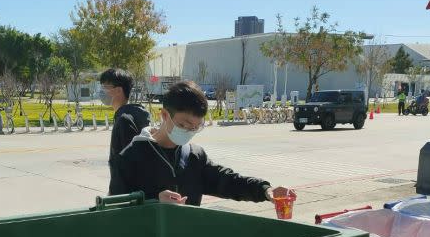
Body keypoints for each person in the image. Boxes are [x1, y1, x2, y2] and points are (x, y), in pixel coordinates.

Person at [110, 80, 294, 206]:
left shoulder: (194, 156)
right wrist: (153, 201)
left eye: (195, 128)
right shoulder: (130, 157)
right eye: (183, 124)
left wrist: (264, 189)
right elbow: (116, 206)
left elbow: (227, 181)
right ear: (165, 115)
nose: (188, 132)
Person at [99, 68, 151, 194]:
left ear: (118, 90)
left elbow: (127, 165)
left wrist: (115, 195)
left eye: (105, 87)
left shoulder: (124, 120)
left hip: (127, 196)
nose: (101, 91)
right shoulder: (134, 114)